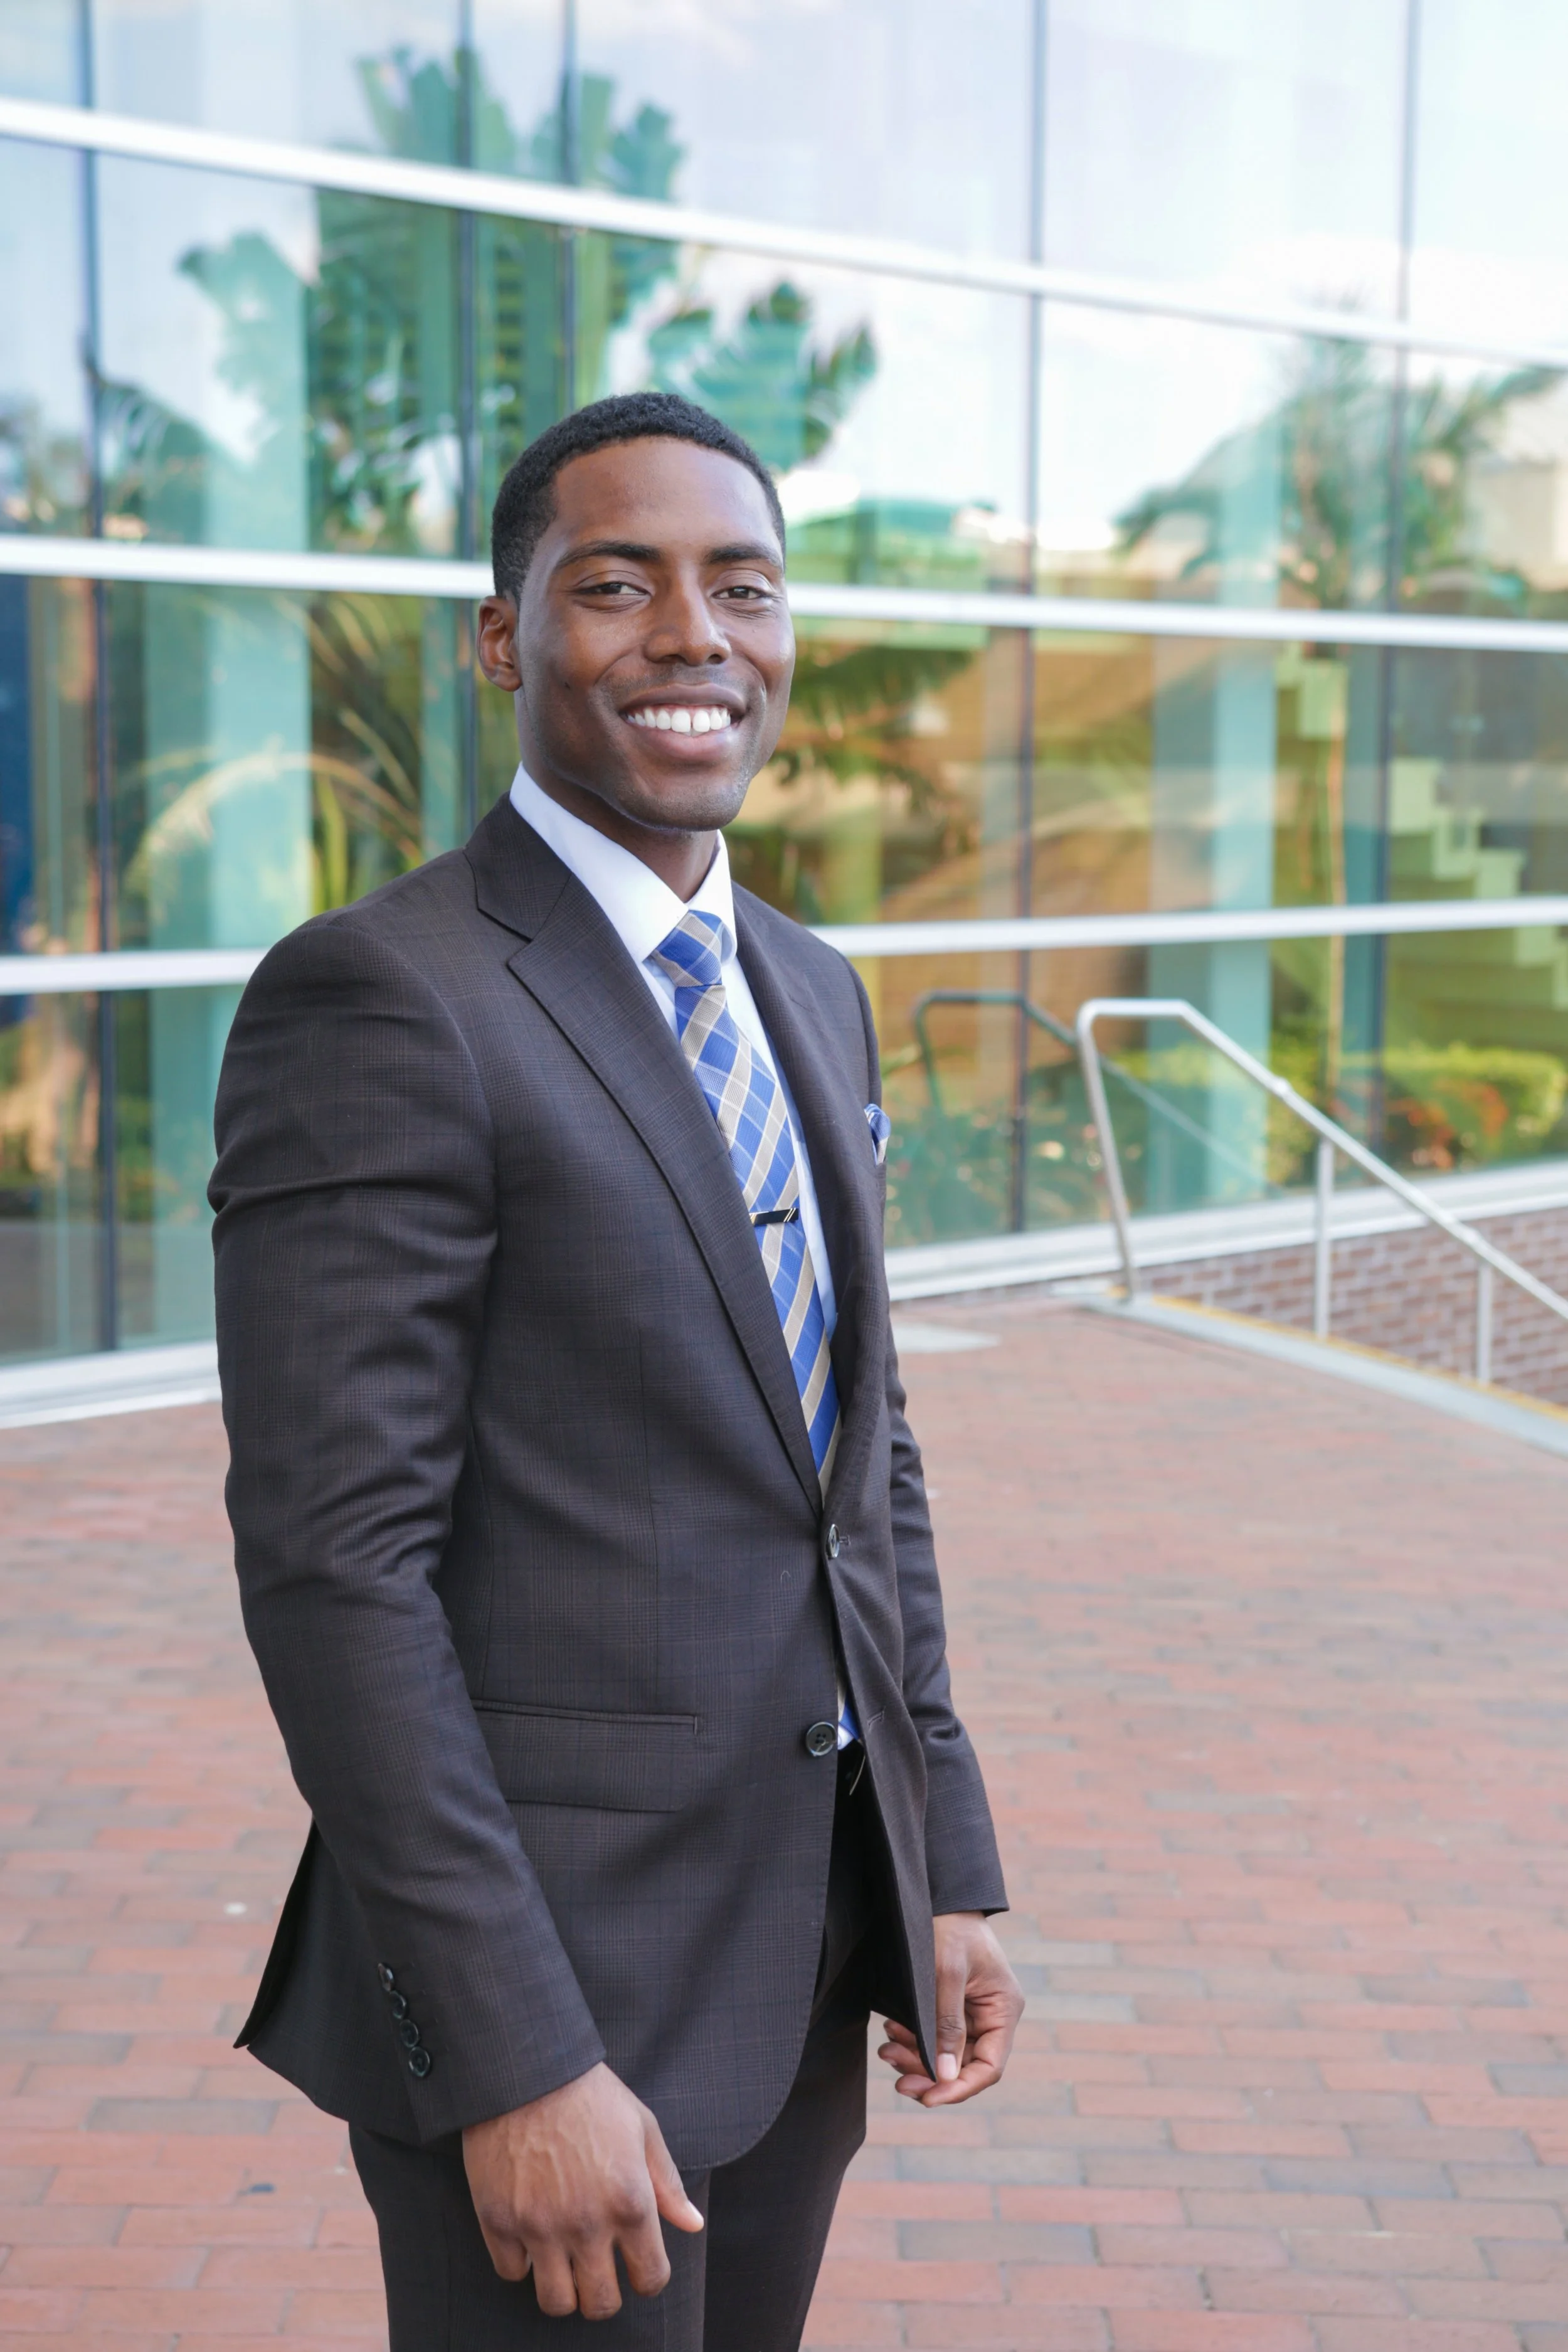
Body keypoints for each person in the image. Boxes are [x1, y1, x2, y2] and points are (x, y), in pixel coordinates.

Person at [209, 390, 1021, 2349]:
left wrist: (945, 1855)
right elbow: (339, 1571)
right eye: (613, 583)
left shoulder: (808, 989)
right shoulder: (385, 996)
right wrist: (513, 2057)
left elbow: (859, 1452)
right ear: (502, 636)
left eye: (738, 584)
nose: (691, 635)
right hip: (554, 2010)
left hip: (806, 1952)